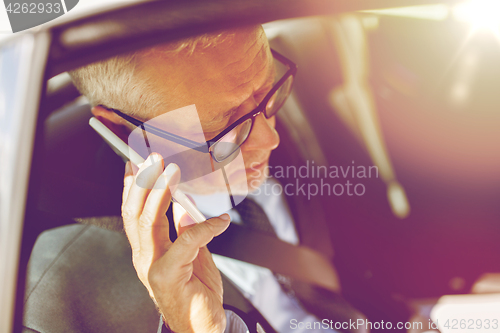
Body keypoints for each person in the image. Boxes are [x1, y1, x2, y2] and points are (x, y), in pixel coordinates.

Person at [68, 24, 365, 333]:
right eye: (222, 128)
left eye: (266, 88)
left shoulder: (278, 102)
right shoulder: (86, 285)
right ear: (122, 131)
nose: (270, 138)